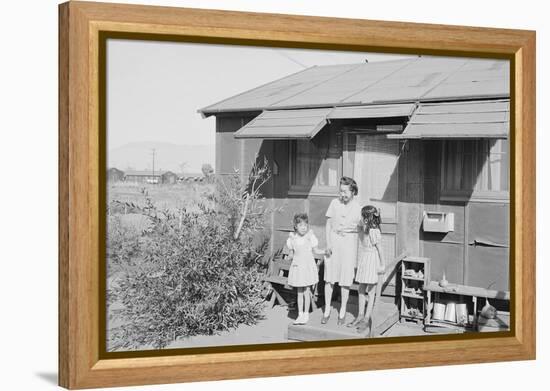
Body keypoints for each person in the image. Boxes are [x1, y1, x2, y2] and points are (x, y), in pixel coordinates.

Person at [323, 177, 361, 325]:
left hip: (349, 243)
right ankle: (327, 310)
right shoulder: (334, 203)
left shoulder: (358, 208)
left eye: (345, 191)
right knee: (329, 277)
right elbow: (328, 225)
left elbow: (362, 228)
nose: (342, 194)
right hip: (334, 240)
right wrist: (328, 243)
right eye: (340, 191)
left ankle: (343, 311)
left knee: (345, 279)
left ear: (352, 192)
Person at [347, 205, 385, 335]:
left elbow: (380, 249)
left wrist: (382, 264)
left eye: (363, 216)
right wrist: (363, 221)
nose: (361, 218)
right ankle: (360, 315)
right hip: (364, 259)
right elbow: (357, 226)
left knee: (371, 290)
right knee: (361, 288)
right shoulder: (363, 229)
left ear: (368, 218)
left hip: (372, 261)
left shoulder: (375, 232)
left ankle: (367, 318)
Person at [286, 213, 325, 325]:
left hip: (307, 267)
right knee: (299, 292)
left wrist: (325, 251)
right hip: (298, 267)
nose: (303, 227)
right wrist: (289, 257)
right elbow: (292, 253)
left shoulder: (310, 237)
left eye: (305, 225)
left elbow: (316, 251)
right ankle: (300, 314)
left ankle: (306, 314)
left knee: (307, 291)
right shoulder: (292, 238)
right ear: (295, 227)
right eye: (300, 225)